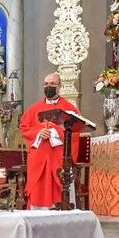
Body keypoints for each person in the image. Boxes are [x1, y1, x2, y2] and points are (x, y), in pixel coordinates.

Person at [20, 71, 82, 209]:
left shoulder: (69, 109)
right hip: (38, 157)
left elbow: (75, 131)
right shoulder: (33, 109)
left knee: (59, 184)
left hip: (58, 156)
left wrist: (54, 132)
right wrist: (38, 132)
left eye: (52, 84)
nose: (49, 86)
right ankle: (37, 210)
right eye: (46, 84)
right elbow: (24, 128)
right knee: (38, 187)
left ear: (59, 86)